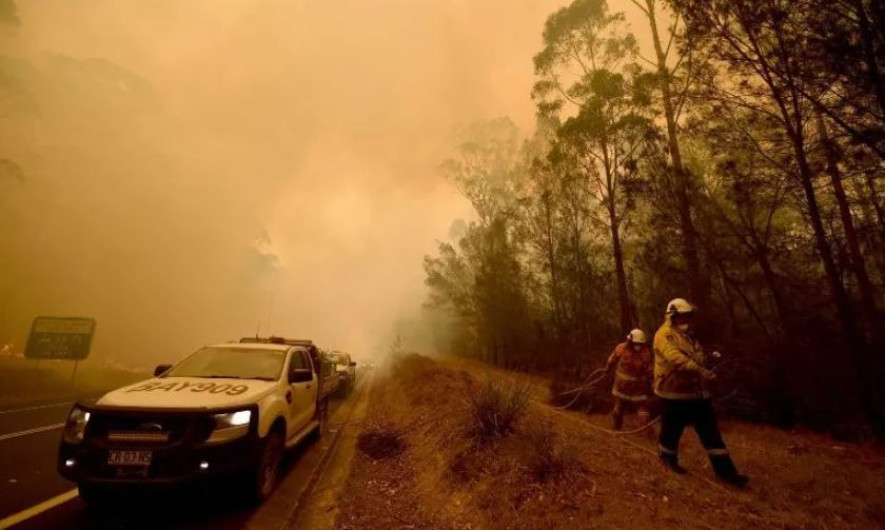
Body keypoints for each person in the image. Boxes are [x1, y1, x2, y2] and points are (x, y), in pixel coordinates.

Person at [653, 298, 749, 487]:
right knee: (672, 431)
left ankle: (727, 474)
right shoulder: (664, 335)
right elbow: (676, 359)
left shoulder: (689, 336)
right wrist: (701, 370)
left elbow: (696, 356)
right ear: (672, 316)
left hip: (697, 394)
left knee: (711, 432)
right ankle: (667, 460)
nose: (686, 319)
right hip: (673, 394)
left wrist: (707, 360)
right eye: (682, 316)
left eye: (688, 316)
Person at [606, 329, 653, 431]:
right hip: (636, 387)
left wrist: (607, 368)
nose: (637, 345)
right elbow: (649, 370)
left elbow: (611, 360)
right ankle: (643, 429)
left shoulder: (621, 347)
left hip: (623, 385)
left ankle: (616, 427)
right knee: (642, 406)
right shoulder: (646, 352)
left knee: (620, 405)